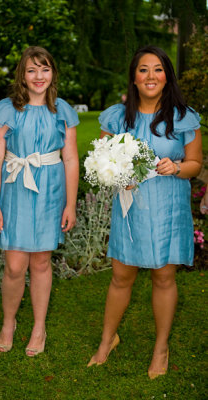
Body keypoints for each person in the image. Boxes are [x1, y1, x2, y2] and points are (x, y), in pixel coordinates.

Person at [87, 45, 202, 378]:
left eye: (157, 69)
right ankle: (108, 340)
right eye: (143, 70)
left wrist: (177, 167)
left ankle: (161, 348)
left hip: (168, 205)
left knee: (163, 277)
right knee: (121, 277)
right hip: (130, 207)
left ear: (167, 76)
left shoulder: (183, 117)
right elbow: (102, 158)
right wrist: (116, 174)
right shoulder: (117, 117)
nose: (150, 76)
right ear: (134, 78)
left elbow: (195, 164)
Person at [0, 46, 79, 356]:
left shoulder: (62, 111)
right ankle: (8, 322)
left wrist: (70, 204)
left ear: (53, 74)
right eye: (31, 70)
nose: (39, 76)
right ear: (22, 76)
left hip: (51, 191)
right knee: (14, 265)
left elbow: (70, 159)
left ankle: (39, 327)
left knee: (40, 261)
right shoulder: (7, 110)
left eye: (45, 69)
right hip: (16, 188)